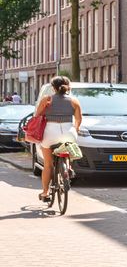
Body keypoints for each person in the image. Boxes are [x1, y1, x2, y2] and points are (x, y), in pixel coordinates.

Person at [32, 75, 82, 204]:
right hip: (68, 132)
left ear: (53, 88)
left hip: (50, 133)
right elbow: (78, 120)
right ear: (68, 87)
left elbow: (37, 115)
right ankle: (68, 167)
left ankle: (45, 192)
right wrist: (76, 130)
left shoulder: (47, 99)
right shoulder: (74, 101)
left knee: (48, 165)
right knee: (68, 146)